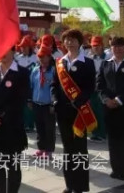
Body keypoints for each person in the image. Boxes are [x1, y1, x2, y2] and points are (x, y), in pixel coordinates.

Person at [51, 29, 96, 193]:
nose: (70, 43)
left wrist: (79, 100)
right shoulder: (59, 62)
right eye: (67, 40)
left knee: (80, 149)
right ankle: (70, 185)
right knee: (67, 148)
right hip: (63, 112)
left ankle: (81, 186)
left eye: (73, 39)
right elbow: (54, 85)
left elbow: (91, 87)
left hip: (80, 111)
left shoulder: (88, 62)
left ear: (79, 42)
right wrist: (54, 99)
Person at [0, 45, 29, 193]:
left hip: (12, 128)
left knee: (13, 166)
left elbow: (21, 100)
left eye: (6, 50)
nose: (3, 54)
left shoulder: (22, 73)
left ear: (13, 51)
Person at [96, 36, 124, 180]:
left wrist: (118, 100)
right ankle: (117, 169)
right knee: (113, 141)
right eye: (114, 47)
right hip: (109, 109)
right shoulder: (105, 64)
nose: (117, 49)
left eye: (120, 46)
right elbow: (99, 85)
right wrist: (105, 99)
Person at [29, 45, 56, 159]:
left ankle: (49, 150)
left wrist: (53, 103)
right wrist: (30, 100)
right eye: (39, 57)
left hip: (48, 105)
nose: (41, 59)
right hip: (37, 103)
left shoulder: (54, 71)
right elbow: (31, 86)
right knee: (39, 127)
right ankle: (41, 148)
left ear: (49, 57)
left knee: (49, 128)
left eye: (44, 57)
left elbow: (56, 88)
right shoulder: (35, 70)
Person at [89, 35, 108, 142]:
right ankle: (95, 132)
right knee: (93, 111)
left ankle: (102, 133)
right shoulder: (90, 58)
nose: (95, 48)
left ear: (102, 46)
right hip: (92, 88)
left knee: (101, 111)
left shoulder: (108, 57)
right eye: (93, 46)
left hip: (104, 89)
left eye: (97, 46)